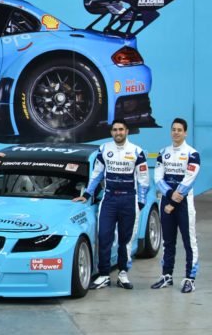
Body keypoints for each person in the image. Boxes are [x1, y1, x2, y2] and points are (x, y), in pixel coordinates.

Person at [74, 119, 149, 290]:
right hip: (109, 199)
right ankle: (104, 275)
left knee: (125, 239)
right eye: (115, 130)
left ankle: (123, 274)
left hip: (129, 200)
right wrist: (86, 195)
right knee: (104, 236)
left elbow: (144, 180)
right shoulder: (104, 149)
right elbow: (97, 174)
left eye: (121, 129)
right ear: (111, 132)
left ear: (127, 131)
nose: (118, 132)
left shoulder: (137, 151)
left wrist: (140, 202)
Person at [151, 118, 200, 293]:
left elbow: (189, 180)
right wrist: (170, 196)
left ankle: (190, 279)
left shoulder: (192, 154)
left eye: (179, 130)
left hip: (184, 203)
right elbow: (158, 178)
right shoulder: (163, 152)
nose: (176, 132)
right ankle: (167, 275)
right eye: (174, 129)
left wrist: (173, 202)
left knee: (189, 242)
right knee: (168, 241)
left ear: (185, 133)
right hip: (167, 200)